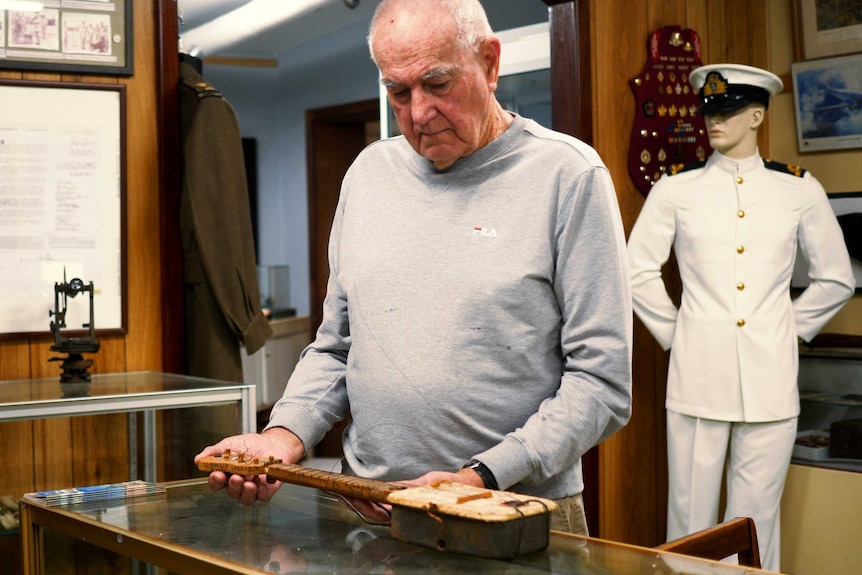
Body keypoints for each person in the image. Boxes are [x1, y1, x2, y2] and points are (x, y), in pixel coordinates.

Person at [195, 0, 632, 536]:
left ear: (490, 64)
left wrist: (480, 477)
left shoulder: (569, 176)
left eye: (438, 84)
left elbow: (601, 383)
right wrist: (283, 437)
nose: (418, 113)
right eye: (398, 92)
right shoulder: (368, 175)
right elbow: (338, 346)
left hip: (511, 512)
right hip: (370, 508)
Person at [626, 63, 855, 571]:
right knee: (689, 522)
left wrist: (785, 331)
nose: (714, 122)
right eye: (709, 111)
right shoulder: (675, 190)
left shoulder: (797, 190)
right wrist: (676, 334)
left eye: (727, 111)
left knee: (756, 523)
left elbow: (837, 277)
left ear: (756, 115)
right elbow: (635, 271)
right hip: (697, 377)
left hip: (770, 383)